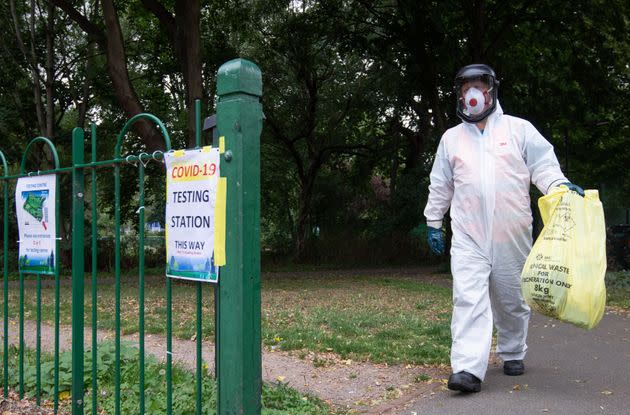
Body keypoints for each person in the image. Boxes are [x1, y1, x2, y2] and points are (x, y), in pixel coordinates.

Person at [424, 63, 584, 393]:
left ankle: (512, 351)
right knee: (468, 297)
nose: (472, 93)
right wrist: (434, 222)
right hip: (469, 234)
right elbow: (440, 185)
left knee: (511, 297)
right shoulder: (451, 140)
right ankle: (468, 368)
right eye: (465, 86)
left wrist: (559, 186)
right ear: (459, 94)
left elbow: (543, 165)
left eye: (479, 85)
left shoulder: (518, 130)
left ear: (492, 89)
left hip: (512, 231)